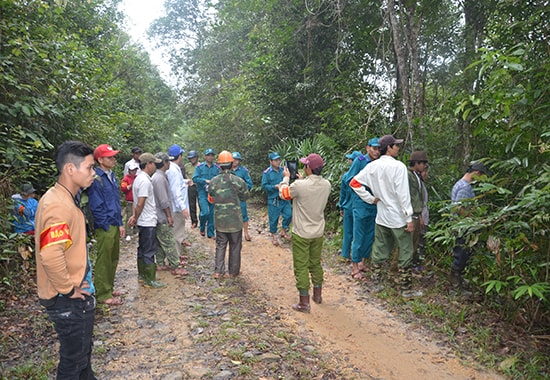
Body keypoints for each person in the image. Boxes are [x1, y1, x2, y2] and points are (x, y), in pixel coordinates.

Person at [35, 140, 97, 379]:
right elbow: (50, 254)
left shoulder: (61, 198)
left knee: (81, 359)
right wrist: (68, 288)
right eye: (90, 168)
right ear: (70, 169)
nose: (93, 173)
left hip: (71, 296)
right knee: (73, 362)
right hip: (67, 300)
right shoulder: (58, 205)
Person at [351, 134, 421, 298]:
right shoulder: (399, 167)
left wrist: (371, 199)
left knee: (380, 249)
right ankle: (406, 289)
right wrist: (409, 218)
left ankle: (376, 283)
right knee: (405, 251)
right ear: (389, 148)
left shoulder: (372, 167)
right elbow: (403, 195)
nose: (398, 148)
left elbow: (354, 182)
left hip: (382, 216)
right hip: (398, 218)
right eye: (395, 145)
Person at [279, 153, 331, 313]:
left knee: (301, 265)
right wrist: (302, 180)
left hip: (302, 232)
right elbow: (310, 189)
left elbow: (284, 194)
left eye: (305, 165)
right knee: (315, 263)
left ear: (308, 168)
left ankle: (304, 302)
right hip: (318, 231)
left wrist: (286, 179)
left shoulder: (299, 186)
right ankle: (318, 295)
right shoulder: (327, 184)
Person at [88, 144, 126, 306]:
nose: (113, 159)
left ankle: (109, 287)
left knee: (113, 257)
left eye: (113, 157)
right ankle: (103, 294)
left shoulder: (111, 176)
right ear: (100, 159)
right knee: (104, 259)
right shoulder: (96, 179)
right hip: (105, 225)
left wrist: (120, 223)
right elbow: (96, 205)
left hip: (114, 223)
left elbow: (115, 202)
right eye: (109, 157)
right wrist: (104, 224)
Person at [208, 151, 250, 279]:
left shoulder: (214, 182)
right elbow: (245, 196)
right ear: (232, 164)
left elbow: (211, 193)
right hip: (235, 221)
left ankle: (218, 272)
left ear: (219, 166)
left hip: (220, 221)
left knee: (220, 245)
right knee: (235, 245)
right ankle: (233, 271)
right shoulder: (238, 181)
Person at [128, 153, 166, 288]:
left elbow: (135, 201)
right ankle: (150, 278)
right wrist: (135, 217)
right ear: (148, 164)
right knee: (149, 250)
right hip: (147, 220)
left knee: (142, 248)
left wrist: (134, 217)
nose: (155, 166)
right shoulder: (144, 181)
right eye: (154, 163)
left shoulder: (138, 179)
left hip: (143, 221)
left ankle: (142, 274)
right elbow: (140, 203)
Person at [450, 161, 488, 293]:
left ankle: (459, 280)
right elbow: (458, 208)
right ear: (477, 173)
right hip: (462, 228)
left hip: (460, 226)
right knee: (461, 255)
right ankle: (455, 287)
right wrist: (475, 216)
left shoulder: (460, 184)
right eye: (482, 176)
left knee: (462, 254)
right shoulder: (465, 187)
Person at [346, 138, 380, 279]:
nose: (376, 151)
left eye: (378, 149)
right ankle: (354, 267)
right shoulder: (360, 161)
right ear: (367, 148)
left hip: (375, 205)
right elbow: (349, 179)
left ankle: (362, 262)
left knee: (369, 235)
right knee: (358, 236)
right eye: (374, 148)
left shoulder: (379, 163)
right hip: (360, 204)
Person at [152, 152, 187, 276]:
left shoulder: (159, 176)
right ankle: (175, 266)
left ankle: (161, 263)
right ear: (165, 163)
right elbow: (164, 201)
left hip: (158, 216)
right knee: (169, 241)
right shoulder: (160, 179)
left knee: (160, 242)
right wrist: (169, 216)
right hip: (161, 216)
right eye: (168, 162)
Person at [261, 152, 292, 246]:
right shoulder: (267, 173)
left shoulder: (283, 170)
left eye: (278, 159)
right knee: (273, 218)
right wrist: (274, 187)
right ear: (271, 161)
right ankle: (274, 236)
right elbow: (264, 186)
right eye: (275, 160)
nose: (278, 162)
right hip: (274, 199)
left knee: (289, 214)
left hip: (284, 197)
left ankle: (284, 231)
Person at [166, 144, 191, 259]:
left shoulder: (170, 168)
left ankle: (176, 256)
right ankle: (175, 259)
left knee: (175, 233)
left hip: (173, 206)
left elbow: (176, 185)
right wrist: (183, 207)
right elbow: (176, 191)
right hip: (176, 208)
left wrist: (185, 182)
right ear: (179, 156)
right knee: (177, 234)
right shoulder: (174, 171)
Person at [337, 151, 363, 260]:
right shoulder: (363, 176)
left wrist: (341, 206)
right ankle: (359, 257)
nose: (349, 161)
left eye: (351, 159)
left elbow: (342, 193)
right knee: (359, 233)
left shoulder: (346, 176)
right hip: (360, 208)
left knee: (347, 232)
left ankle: (345, 254)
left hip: (348, 207)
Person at [407, 151, 429, 271]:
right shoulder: (409, 176)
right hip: (412, 216)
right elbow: (412, 197)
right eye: (423, 163)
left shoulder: (416, 177)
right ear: (417, 163)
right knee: (409, 244)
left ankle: (410, 268)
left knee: (415, 244)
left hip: (416, 215)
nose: (424, 166)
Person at [192, 148, 220, 239]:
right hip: (202, 192)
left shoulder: (217, 168)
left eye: (212, 155)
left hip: (213, 193)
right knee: (205, 212)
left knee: (212, 213)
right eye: (208, 155)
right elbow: (195, 179)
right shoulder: (199, 167)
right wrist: (205, 181)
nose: (210, 157)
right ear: (205, 156)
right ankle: (202, 227)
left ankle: (211, 233)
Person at [231, 152, 253, 241]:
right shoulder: (227, 170)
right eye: (233, 159)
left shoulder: (244, 171)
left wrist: (241, 190)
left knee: (243, 214)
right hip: (230, 197)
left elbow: (249, 184)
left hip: (240, 197)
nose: (235, 161)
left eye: (236, 160)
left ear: (239, 161)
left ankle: (246, 232)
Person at [120, 161, 139, 240]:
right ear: (129, 171)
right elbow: (123, 188)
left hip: (136, 201)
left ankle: (136, 231)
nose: (134, 171)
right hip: (130, 201)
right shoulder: (125, 179)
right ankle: (128, 233)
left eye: (135, 170)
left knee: (137, 216)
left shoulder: (138, 177)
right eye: (132, 170)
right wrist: (130, 186)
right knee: (129, 216)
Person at [184, 150, 199, 228]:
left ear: (196, 157)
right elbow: (184, 175)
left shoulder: (200, 165)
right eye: (190, 158)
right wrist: (188, 180)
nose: (192, 159)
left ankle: (203, 220)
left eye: (193, 158)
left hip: (199, 186)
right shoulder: (187, 166)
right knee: (192, 204)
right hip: (191, 186)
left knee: (201, 203)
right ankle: (194, 222)